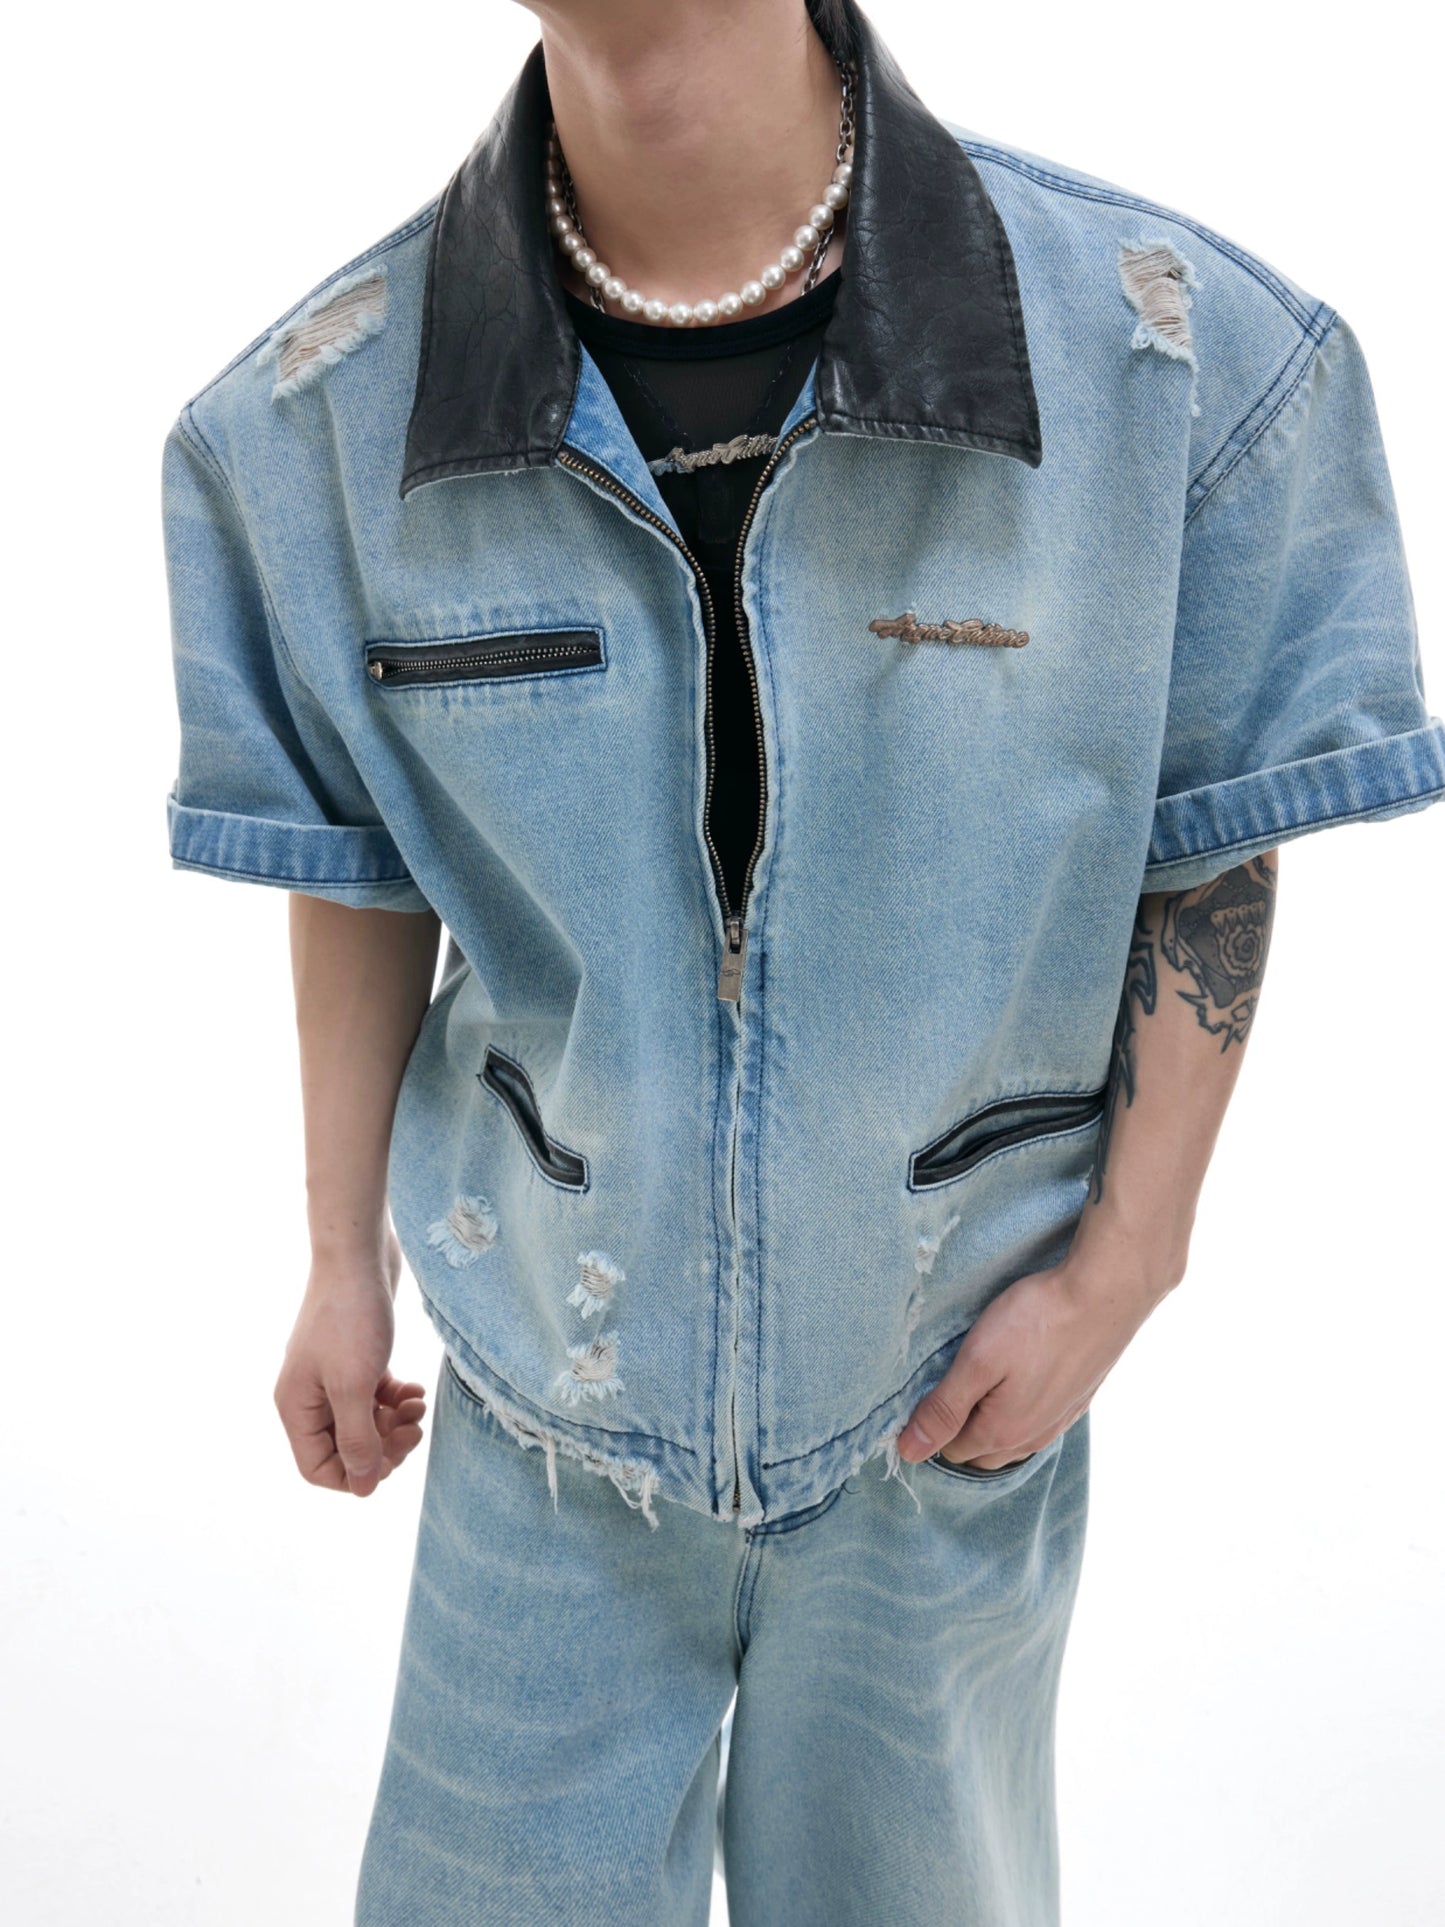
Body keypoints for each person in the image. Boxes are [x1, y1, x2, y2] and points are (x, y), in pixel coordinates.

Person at [159, 0, 1444, 1919]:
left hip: (944, 1399)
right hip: (540, 1404)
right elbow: (360, 855)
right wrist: (343, 1260)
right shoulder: (314, 425)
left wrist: (1126, 1263)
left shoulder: (1174, 363)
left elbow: (1208, 829)